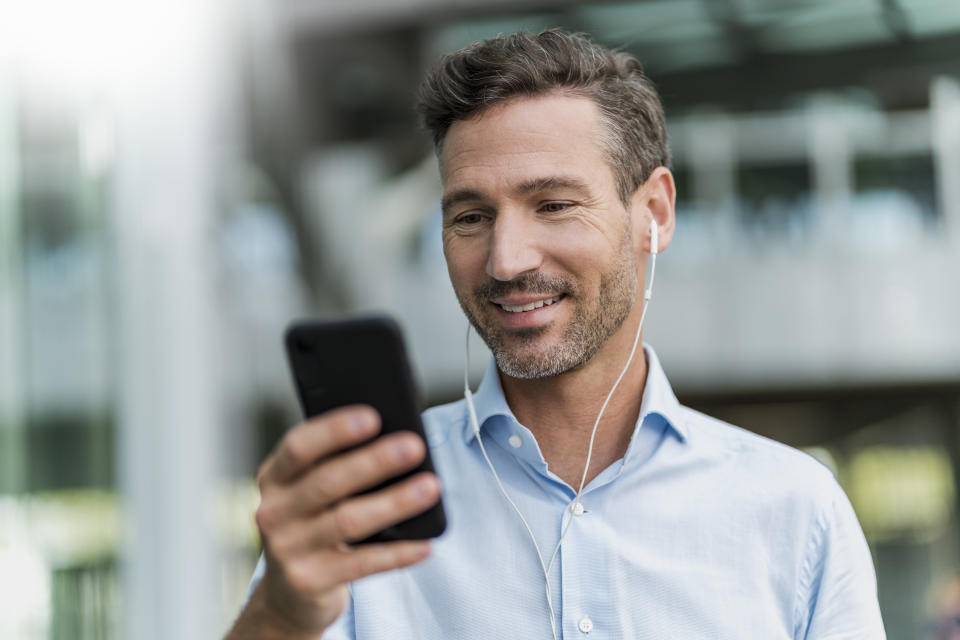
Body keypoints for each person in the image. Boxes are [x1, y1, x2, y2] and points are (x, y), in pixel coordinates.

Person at [227, 29, 885, 639]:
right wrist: (280, 615)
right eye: (471, 216)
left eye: (554, 205)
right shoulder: (363, 511)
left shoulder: (795, 513)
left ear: (653, 214)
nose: (507, 260)